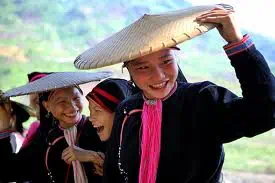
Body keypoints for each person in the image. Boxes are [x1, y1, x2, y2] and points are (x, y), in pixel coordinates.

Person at [74, 6, 275, 183]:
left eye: (166, 61)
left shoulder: (203, 100)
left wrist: (236, 42)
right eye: (143, 67)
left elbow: (267, 111)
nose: (159, 75)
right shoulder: (127, 110)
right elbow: (114, 173)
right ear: (128, 71)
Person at [0, 72, 109, 183]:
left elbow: (121, 167)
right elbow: (10, 172)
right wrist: (3, 124)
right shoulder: (45, 140)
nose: (72, 107)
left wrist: (91, 156)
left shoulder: (99, 129)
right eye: (62, 101)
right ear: (46, 106)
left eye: (76, 98)